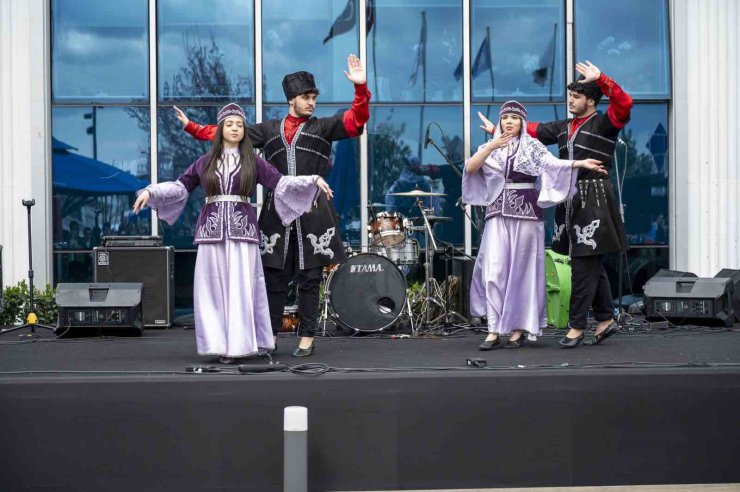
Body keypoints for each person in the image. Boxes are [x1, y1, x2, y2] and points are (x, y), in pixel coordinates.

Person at [174, 55, 370, 357]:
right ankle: (271, 335)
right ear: (292, 99)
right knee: (274, 276)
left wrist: (360, 89)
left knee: (309, 277)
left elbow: (356, 121)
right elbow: (226, 133)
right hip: (277, 211)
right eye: (307, 97)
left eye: (315, 97)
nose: (312, 102)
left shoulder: (324, 127)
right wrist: (191, 126)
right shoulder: (268, 130)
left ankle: (307, 336)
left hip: (313, 209)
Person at [133, 103, 332, 363]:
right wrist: (151, 192)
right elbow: (180, 188)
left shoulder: (254, 162)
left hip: (242, 233)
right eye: (230, 124)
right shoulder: (204, 162)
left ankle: (239, 345)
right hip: (211, 232)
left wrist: (312, 180)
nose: (235, 128)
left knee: (242, 288)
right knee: (211, 289)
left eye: (239, 124)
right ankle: (218, 343)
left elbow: (282, 183)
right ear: (220, 130)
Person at [479, 60, 632, 348]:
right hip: (569, 200)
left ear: (590, 100)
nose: (570, 101)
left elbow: (624, 103)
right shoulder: (564, 127)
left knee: (582, 263)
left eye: (575, 97)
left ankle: (576, 326)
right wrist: (497, 132)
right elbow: (529, 132)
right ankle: (605, 317)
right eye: (570, 96)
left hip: (594, 198)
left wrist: (603, 79)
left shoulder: (605, 122)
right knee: (589, 261)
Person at [464, 101, 607, 350]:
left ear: (522, 123)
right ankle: (493, 329)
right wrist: (490, 145)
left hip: (528, 216)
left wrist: (580, 164)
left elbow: (553, 165)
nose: (509, 121)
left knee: (523, 273)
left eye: (514, 118)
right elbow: (470, 167)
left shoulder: (533, 147)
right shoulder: (490, 147)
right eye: (505, 117)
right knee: (494, 271)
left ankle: (518, 329)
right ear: (500, 122)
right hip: (497, 214)